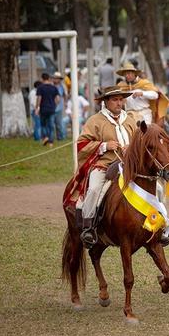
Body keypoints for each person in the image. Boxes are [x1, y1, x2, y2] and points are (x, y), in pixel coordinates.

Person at [72, 86, 139, 248]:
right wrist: (104, 145)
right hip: (104, 165)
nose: (119, 103)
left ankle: (159, 224)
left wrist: (130, 148)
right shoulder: (95, 121)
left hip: (128, 166)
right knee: (95, 189)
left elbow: (139, 142)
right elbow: (81, 145)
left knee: (154, 187)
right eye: (115, 100)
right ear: (106, 102)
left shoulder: (129, 120)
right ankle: (88, 226)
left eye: (121, 99)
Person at [35, 73, 60, 147]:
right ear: (49, 78)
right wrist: (54, 105)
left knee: (43, 125)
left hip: (43, 109)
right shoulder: (54, 88)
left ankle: (45, 137)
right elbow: (58, 99)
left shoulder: (40, 87)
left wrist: (37, 108)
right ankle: (51, 142)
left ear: (42, 79)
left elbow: (39, 98)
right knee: (51, 125)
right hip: (52, 109)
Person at [52, 71, 67, 140]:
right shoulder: (51, 86)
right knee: (51, 124)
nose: (56, 80)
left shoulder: (62, 86)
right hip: (51, 107)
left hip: (59, 107)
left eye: (57, 78)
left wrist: (65, 103)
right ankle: (51, 138)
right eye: (55, 78)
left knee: (59, 124)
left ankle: (60, 137)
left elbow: (65, 95)